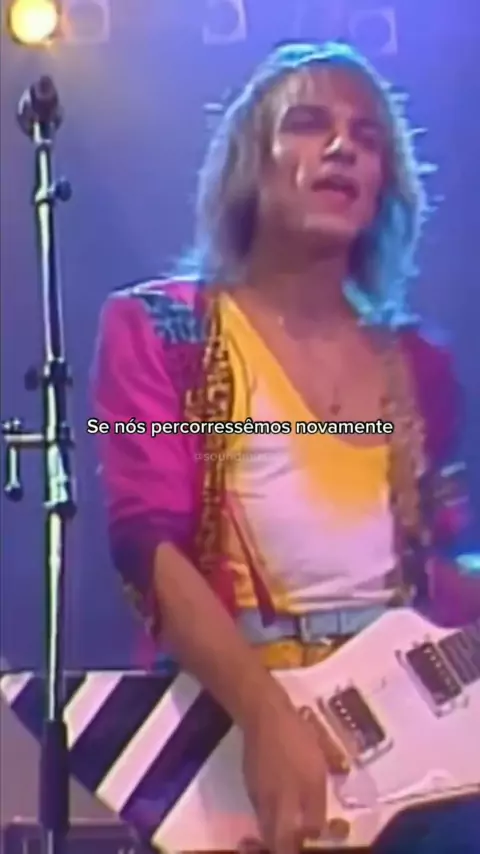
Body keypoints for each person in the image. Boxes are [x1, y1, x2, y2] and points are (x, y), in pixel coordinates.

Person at [92, 42, 480, 854]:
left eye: (367, 137)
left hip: (414, 762)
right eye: (308, 124)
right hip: (231, 741)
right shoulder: (160, 330)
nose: (342, 148)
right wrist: (266, 716)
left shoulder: (421, 364)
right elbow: (145, 544)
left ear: (385, 184)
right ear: (250, 161)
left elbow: (433, 572)